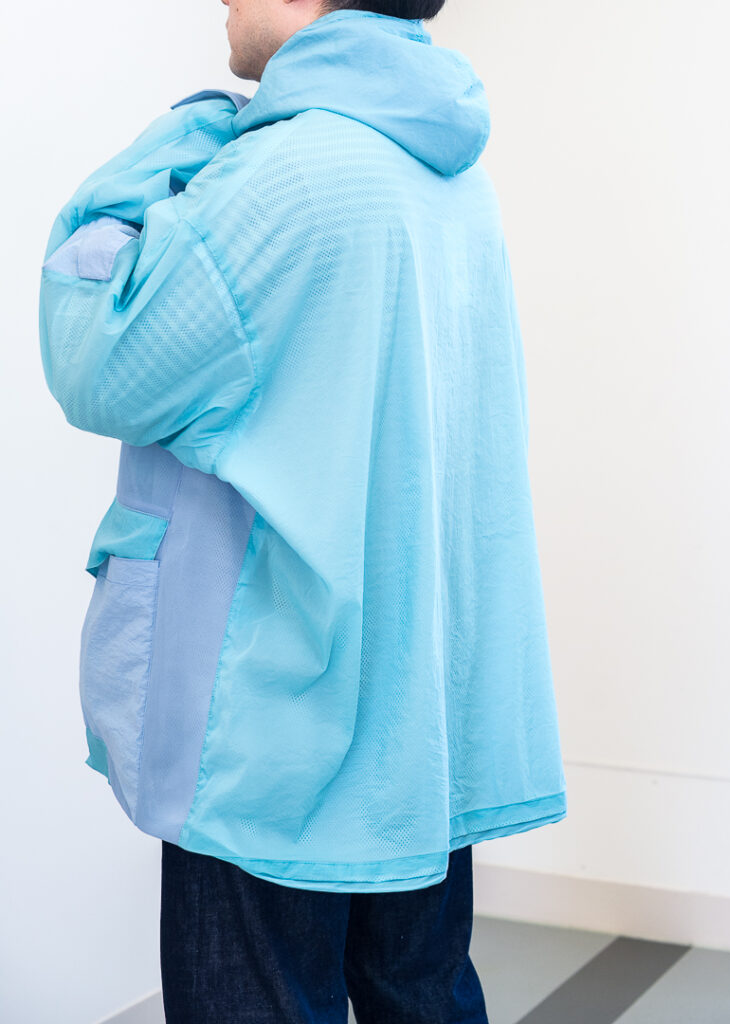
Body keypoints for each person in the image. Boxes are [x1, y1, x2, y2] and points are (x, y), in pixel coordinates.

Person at [38, 0, 568, 1020]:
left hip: (277, 725)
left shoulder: (282, 173)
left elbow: (97, 360)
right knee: (417, 990)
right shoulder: (448, 172)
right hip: (412, 717)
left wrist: (180, 134)